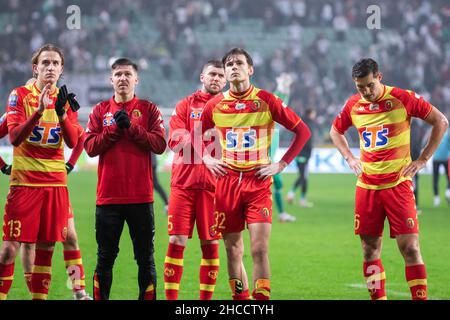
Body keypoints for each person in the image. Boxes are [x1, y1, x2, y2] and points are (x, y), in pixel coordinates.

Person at [330, 58, 449, 300]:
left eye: (369, 85)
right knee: (369, 250)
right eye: (360, 87)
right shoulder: (353, 105)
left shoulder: (403, 98)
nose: (365, 92)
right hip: (367, 188)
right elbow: (335, 131)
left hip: (398, 185)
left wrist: (423, 159)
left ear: (379, 77)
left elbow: (441, 121)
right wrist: (350, 158)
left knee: (411, 248)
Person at [199, 48, 311, 300]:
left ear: (250, 69)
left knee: (259, 249)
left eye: (239, 63)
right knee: (232, 250)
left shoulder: (267, 100)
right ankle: (241, 299)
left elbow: (303, 131)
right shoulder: (215, 105)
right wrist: (206, 158)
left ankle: (261, 301)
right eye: (229, 64)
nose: (234, 67)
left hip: (258, 182)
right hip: (226, 183)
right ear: (225, 73)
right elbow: (197, 134)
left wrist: (280, 165)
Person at [0, 43, 80, 300]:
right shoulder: (19, 95)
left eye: (56, 63)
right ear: (35, 68)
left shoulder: (66, 100)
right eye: (45, 63)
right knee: (8, 251)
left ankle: (69, 293)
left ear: (62, 70)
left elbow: (72, 142)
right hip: (24, 185)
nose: (51, 68)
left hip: (55, 186)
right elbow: (13, 137)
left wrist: (62, 114)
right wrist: (38, 112)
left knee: (47, 247)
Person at [84, 58, 166, 300]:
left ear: (136, 79)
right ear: (111, 80)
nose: (122, 78)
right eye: (118, 74)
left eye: (127, 74)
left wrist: (131, 128)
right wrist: (115, 129)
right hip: (108, 199)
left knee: (145, 257)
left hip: (141, 198)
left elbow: (160, 145)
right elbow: (89, 148)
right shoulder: (99, 111)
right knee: (105, 258)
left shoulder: (149, 109)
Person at [0, 102, 91, 300]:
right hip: (26, 185)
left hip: (55, 187)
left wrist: (71, 164)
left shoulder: (61, 106)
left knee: (70, 237)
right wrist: (3, 166)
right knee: (26, 244)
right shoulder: (18, 108)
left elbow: (80, 137)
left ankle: (79, 291)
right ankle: (34, 288)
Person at [164, 60, 226, 300]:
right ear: (202, 76)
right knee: (176, 240)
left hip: (214, 187)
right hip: (183, 185)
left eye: (221, 76)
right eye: (212, 74)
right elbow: (175, 141)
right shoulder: (185, 105)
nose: (216, 79)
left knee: (210, 245)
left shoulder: (229, 106)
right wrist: (204, 145)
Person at [270, 73, 297, 222]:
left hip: (269, 161)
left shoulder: (274, 128)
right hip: (264, 162)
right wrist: (281, 87)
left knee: (278, 184)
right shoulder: (268, 126)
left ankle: (280, 214)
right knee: (277, 184)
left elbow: (281, 105)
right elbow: (276, 103)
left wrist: (285, 89)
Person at [286, 108, 317, 208]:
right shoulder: (309, 125)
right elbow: (308, 141)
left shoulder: (301, 122)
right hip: (303, 154)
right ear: (310, 113)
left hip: (298, 154)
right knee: (304, 177)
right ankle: (299, 198)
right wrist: (308, 154)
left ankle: (294, 195)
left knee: (303, 176)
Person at [431, 126, 450, 207]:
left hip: (445, 159)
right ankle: (436, 197)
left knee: (448, 177)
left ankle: (448, 191)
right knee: (435, 179)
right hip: (436, 159)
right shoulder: (436, 132)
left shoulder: (448, 134)